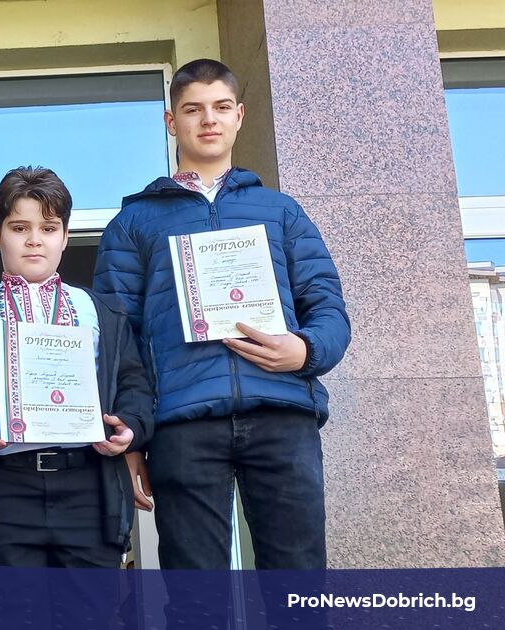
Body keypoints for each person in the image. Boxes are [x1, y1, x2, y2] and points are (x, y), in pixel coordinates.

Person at [94, 58, 350, 571]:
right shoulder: (134, 223)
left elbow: (327, 306)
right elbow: (117, 339)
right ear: (172, 122)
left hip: (281, 414)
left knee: (298, 586)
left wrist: (304, 350)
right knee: (195, 596)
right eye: (193, 109)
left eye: (221, 107)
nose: (208, 119)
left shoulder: (282, 212)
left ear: (239, 116)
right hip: (182, 423)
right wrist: (132, 437)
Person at [0, 167, 153, 627]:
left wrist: (130, 427)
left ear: (65, 237)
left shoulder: (101, 310)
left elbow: (135, 384)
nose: (34, 240)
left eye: (48, 228)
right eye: (19, 228)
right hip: (1, 489)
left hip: (88, 487)